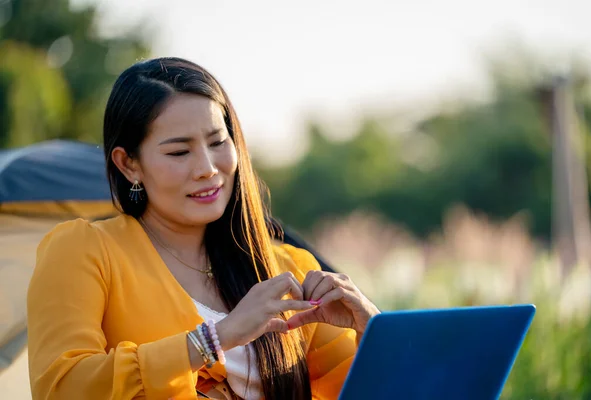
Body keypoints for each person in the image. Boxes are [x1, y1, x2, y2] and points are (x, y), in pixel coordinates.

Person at [26, 57, 380, 400]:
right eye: (179, 152)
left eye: (217, 142)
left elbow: (381, 390)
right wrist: (215, 339)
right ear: (128, 164)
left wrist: (375, 331)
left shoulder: (288, 269)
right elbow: (62, 387)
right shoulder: (85, 251)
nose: (207, 168)